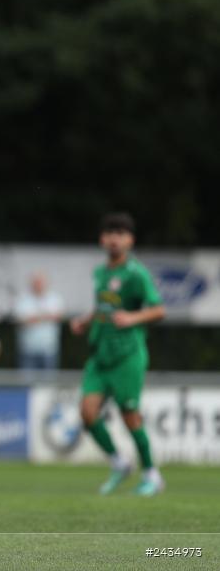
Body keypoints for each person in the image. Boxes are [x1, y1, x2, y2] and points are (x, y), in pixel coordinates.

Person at [70, 212, 165, 496]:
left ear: (130, 240)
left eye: (120, 233)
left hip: (127, 356)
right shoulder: (100, 273)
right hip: (101, 354)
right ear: (102, 239)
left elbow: (159, 309)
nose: (114, 238)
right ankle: (119, 463)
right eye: (110, 233)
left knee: (130, 415)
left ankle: (151, 475)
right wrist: (86, 320)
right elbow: (105, 306)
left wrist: (132, 318)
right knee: (87, 413)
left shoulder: (136, 274)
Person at [14, 272, 64, 378]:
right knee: (26, 382)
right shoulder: (23, 299)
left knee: (48, 383)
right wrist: (45, 316)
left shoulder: (54, 298)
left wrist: (36, 317)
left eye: (41, 282)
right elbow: (20, 320)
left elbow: (58, 316)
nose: (38, 285)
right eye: (36, 282)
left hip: (49, 349)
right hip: (28, 349)